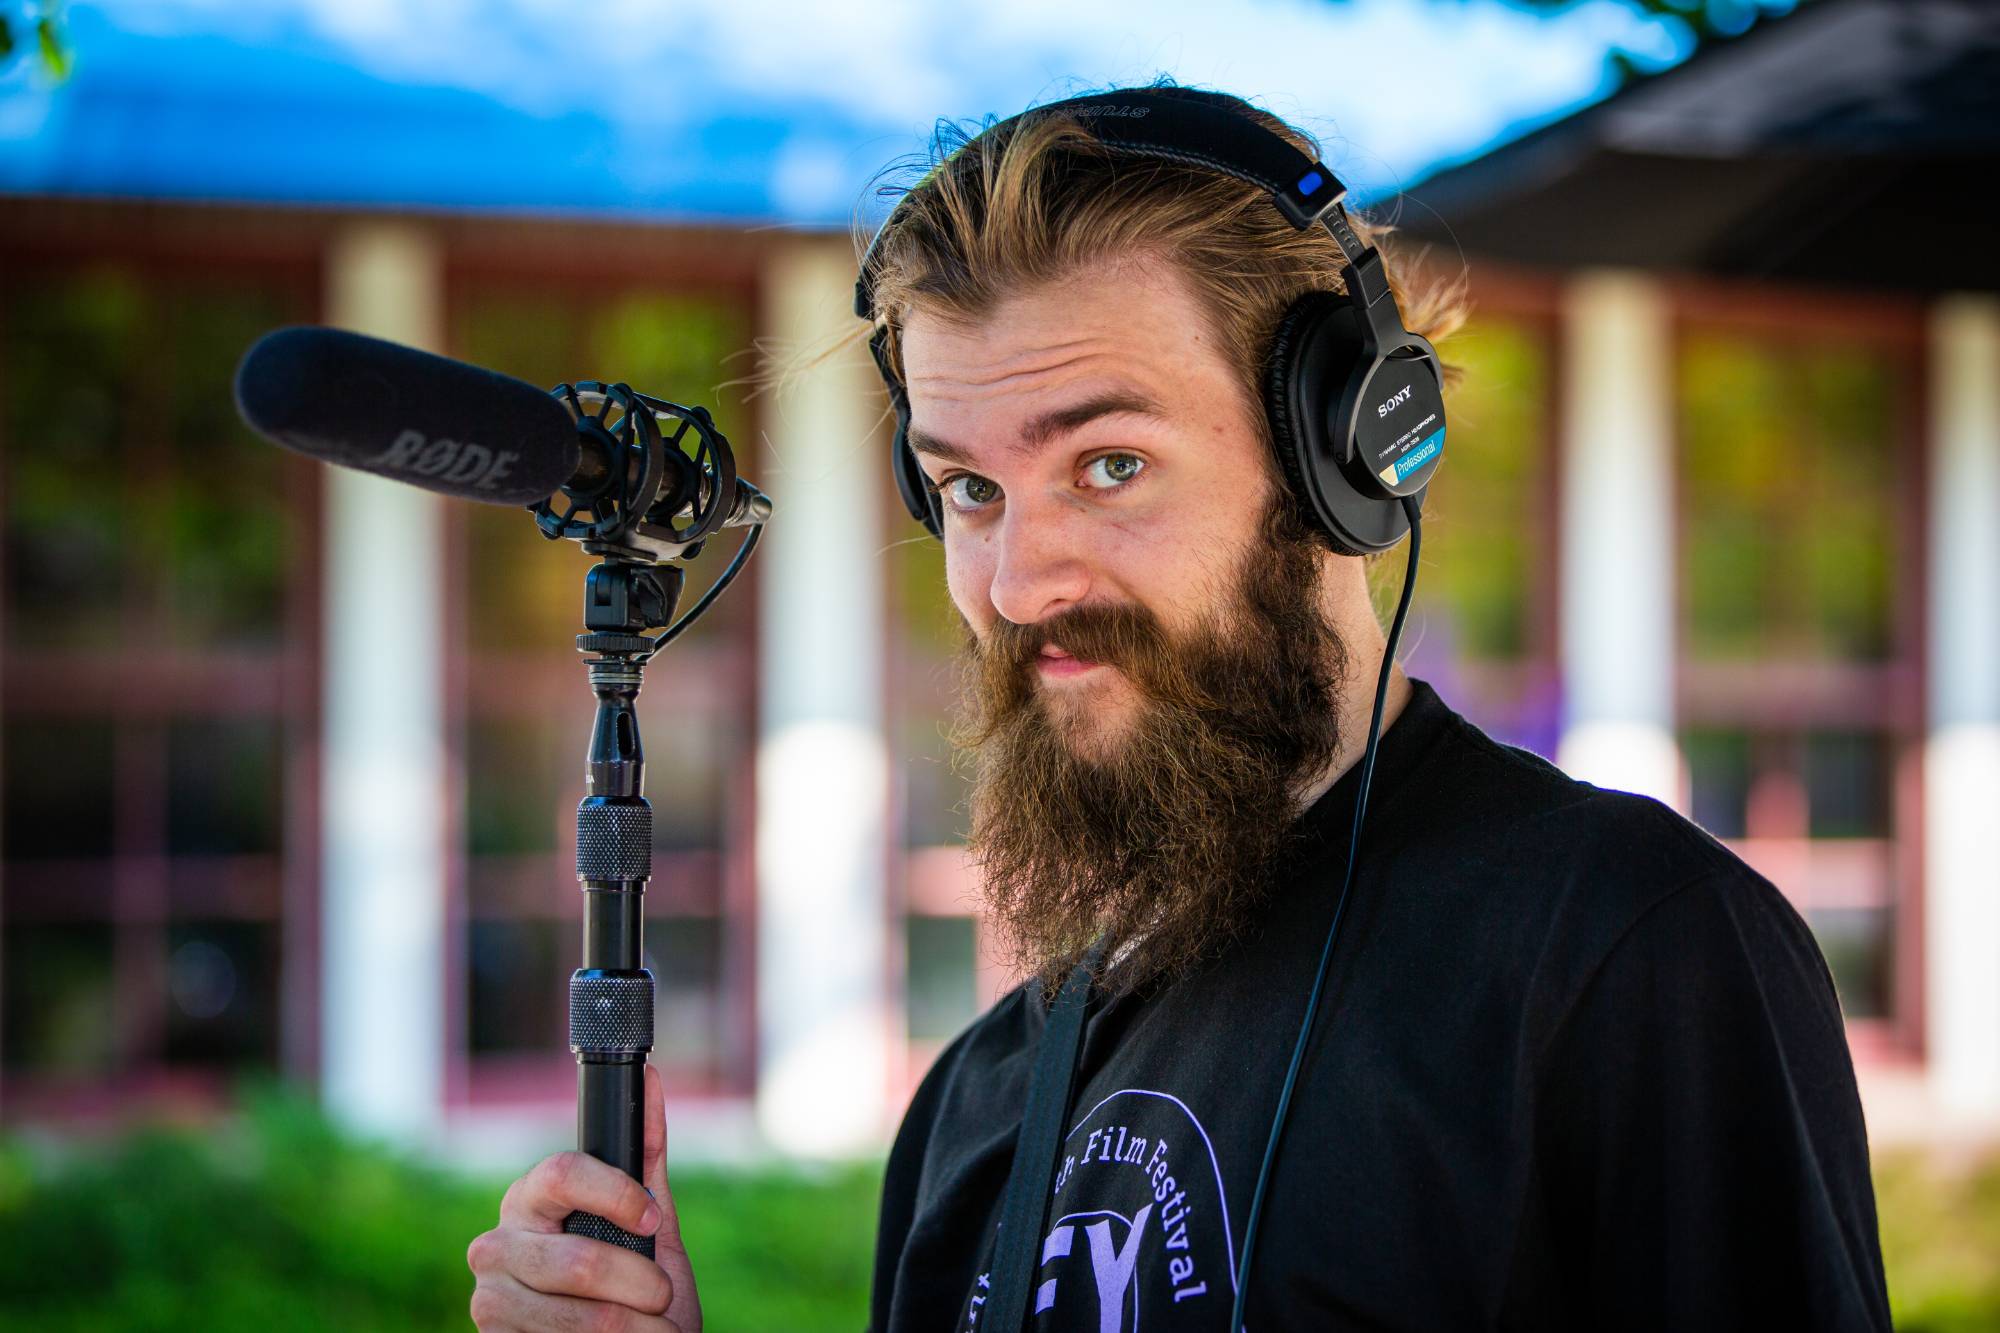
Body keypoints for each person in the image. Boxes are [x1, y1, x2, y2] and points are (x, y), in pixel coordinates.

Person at [467, 84, 1893, 1332]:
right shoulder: (980, 1097)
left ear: (1341, 450)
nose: (1019, 582)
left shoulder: (1627, 951)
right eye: (970, 488)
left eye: (1108, 465)